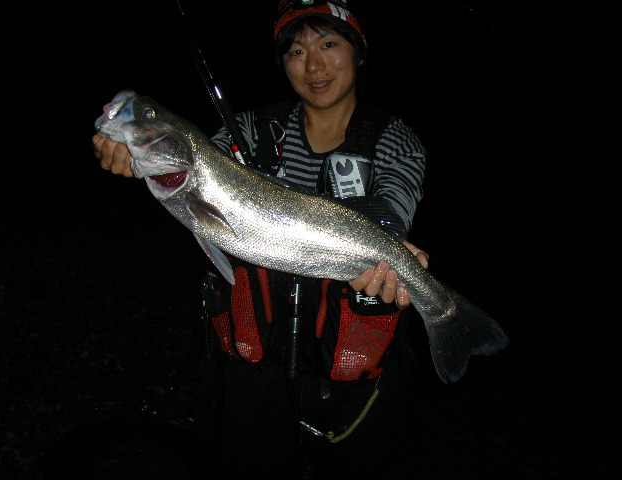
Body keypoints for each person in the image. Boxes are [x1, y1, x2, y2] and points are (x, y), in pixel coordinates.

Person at [93, 1, 428, 478]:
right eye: (296, 51)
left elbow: (392, 211)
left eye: (328, 44)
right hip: (255, 365)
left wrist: (396, 252)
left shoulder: (394, 139)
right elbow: (192, 171)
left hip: (355, 371)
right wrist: (131, 154)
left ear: (358, 52)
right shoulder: (248, 132)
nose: (314, 65)